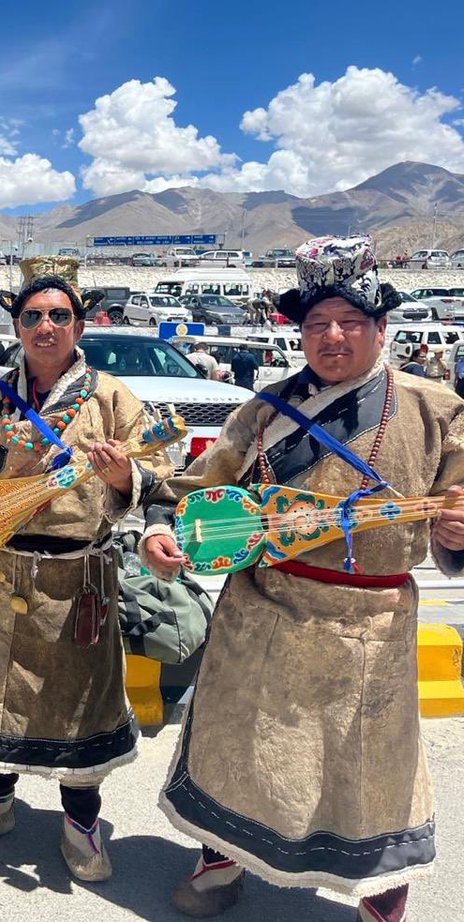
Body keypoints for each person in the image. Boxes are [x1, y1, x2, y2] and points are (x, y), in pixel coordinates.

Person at [141, 235, 464, 922]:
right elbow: (200, 489)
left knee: (370, 769)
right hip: (262, 608)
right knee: (239, 744)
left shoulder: (437, 411)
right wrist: (162, 529)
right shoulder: (263, 410)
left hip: (371, 624)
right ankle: (222, 859)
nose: (333, 336)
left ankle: (382, 891)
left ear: (381, 327)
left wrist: (455, 534)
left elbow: (458, 506)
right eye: (318, 323)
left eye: (349, 321)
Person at [0, 274, 173, 881]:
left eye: (57, 316)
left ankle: (81, 821)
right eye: (31, 317)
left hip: (77, 577)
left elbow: (159, 474)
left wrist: (124, 476)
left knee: (77, 702)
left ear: (79, 324)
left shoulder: (111, 398)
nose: (44, 328)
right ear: (16, 326)